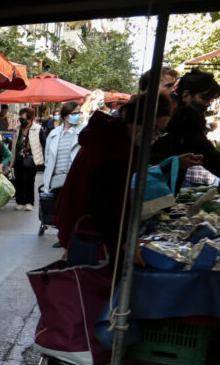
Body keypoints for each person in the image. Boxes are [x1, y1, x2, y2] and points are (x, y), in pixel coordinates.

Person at [54, 93, 198, 261]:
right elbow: (101, 205)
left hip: (92, 230)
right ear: (136, 121)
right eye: (154, 128)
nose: (156, 135)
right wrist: (123, 242)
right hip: (92, 233)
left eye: (161, 131)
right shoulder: (111, 148)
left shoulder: (116, 139)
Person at [152, 68, 220, 177]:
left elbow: (208, 155)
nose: (207, 105)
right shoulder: (161, 114)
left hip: (169, 190)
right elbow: (140, 154)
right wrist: (173, 161)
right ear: (186, 95)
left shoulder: (193, 123)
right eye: (204, 98)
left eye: (210, 101)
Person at [42, 101, 86, 193]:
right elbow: (47, 158)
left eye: (79, 112)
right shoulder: (54, 134)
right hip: (57, 181)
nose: (78, 115)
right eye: (74, 113)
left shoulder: (84, 131)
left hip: (76, 180)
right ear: (65, 115)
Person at [9, 107, 44, 211]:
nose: (22, 121)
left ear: (30, 119)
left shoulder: (37, 129)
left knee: (29, 181)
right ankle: (20, 202)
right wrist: (11, 158)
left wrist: (43, 159)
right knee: (18, 181)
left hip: (31, 159)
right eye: (20, 119)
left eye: (24, 119)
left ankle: (29, 202)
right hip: (18, 159)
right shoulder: (17, 129)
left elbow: (44, 143)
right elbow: (13, 145)